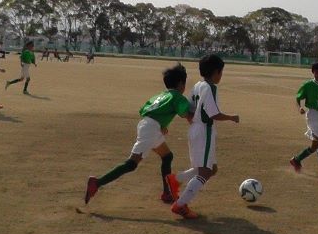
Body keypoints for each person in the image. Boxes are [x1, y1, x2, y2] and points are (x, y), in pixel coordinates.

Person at [85, 64, 191, 205]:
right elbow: (185, 113)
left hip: (147, 125)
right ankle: (97, 182)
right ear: (181, 83)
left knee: (167, 156)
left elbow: (144, 110)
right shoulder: (177, 96)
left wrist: (162, 125)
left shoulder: (161, 95)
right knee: (131, 164)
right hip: (151, 129)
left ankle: (167, 193)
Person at [166, 54, 239, 219]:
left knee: (211, 168)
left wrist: (195, 122)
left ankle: (176, 179)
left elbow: (189, 110)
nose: (221, 76)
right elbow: (213, 114)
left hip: (195, 129)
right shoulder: (210, 87)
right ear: (216, 72)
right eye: (221, 72)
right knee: (205, 171)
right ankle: (180, 204)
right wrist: (231, 117)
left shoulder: (197, 86)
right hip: (204, 131)